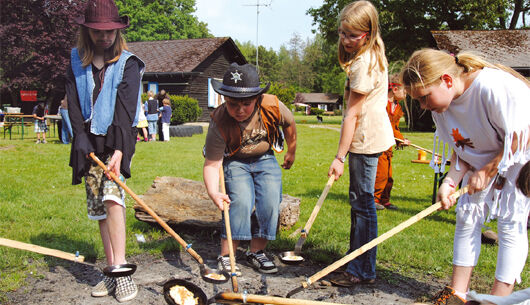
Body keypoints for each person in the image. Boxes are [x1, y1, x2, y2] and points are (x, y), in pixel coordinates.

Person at [400, 48, 530, 304]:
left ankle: (497, 299)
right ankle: (456, 295)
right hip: (485, 161)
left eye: (424, 98)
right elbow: (462, 146)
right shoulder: (442, 107)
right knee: (467, 216)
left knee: (509, 221)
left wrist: (488, 170)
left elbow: (520, 136)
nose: (423, 106)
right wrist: (451, 181)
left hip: (520, 155)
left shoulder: (491, 86)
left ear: (446, 80)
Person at [65, 0, 144, 302]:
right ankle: (111, 271)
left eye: (110, 31)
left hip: (117, 139)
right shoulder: (76, 61)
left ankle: (122, 270)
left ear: (117, 30)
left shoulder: (129, 63)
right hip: (89, 142)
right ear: (87, 32)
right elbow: (72, 102)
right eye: (98, 32)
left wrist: (120, 151)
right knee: (98, 204)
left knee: (113, 198)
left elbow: (126, 111)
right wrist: (79, 137)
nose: (105, 37)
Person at [203, 63, 297, 275]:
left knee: (271, 201)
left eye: (246, 104)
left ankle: (256, 252)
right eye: (233, 104)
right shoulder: (219, 121)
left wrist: (291, 151)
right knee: (241, 201)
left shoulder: (272, 105)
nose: (239, 110)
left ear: (257, 98)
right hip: (234, 160)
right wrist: (213, 191)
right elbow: (212, 164)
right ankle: (227, 256)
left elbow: (289, 123)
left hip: (265, 157)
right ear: (224, 99)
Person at [327, 1, 394, 287]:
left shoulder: (363, 63)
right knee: (360, 204)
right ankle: (354, 260)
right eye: (343, 33)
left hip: (365, 140)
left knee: (364, 205)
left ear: (367, 33)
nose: (345, 40)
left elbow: (352, 114)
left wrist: (339, 157)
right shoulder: (373, 51)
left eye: (352, 35)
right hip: (370, 137)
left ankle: (362, 270)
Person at [374, 74, 410, 210]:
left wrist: (401, 140)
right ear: (395, 89)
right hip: (379, 143)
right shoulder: (381, 104)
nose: (406, 95)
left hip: (389, 145)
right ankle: (374, 199)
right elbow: (385, 126)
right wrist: (398, 138)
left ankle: (385, 200)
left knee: (389, 175)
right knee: (381, 174)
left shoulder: (398, 107)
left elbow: (394, 127)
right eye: (404, 92)